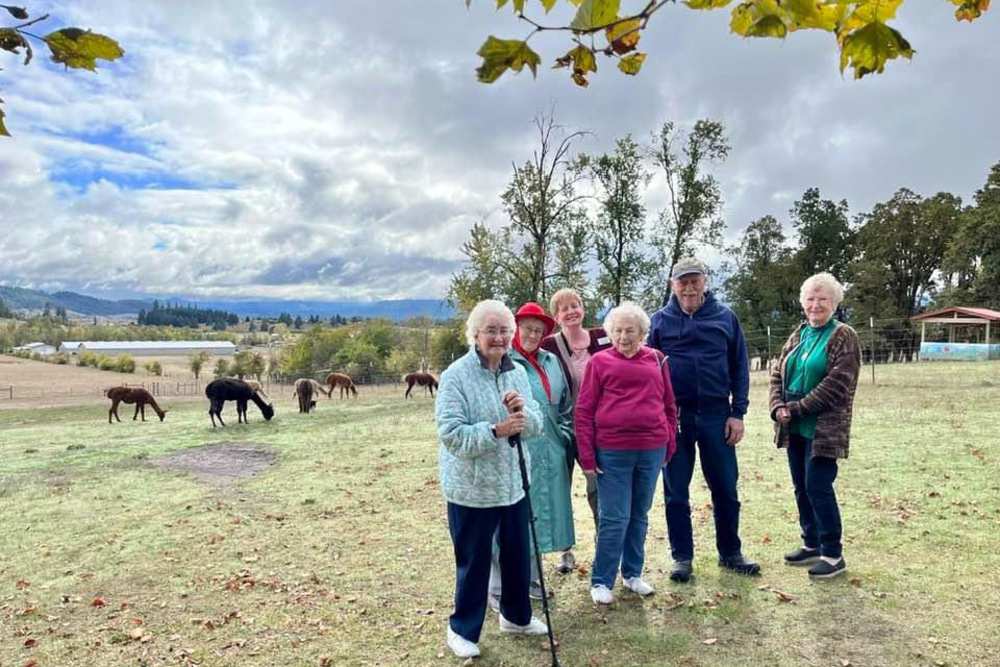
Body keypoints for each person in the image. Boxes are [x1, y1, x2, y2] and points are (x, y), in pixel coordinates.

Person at [435, 299, 549, 658]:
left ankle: (516, 617)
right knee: (475, 562)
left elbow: (538, 423)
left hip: (514, 483)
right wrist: (496, 430)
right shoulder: (456, 375)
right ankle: (462, 630)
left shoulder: (517, 372)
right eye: (491, 331)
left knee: (517, 555)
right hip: (471, 489)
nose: (498, 338)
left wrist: (521, 414)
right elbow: (452, 435)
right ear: (475, 334)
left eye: (504, 331)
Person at [648, 257, 758, 582]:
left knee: (725, 487)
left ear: (705, 282)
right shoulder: (659, 322)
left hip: (716, 415)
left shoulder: (725, 318)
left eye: (695, 280)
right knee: (676, 491)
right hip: (676, 418)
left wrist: (737, 413)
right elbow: (649, 371)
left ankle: (730, 552)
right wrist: (658, 417)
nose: (689, 286)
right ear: (673, 285)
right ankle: (682, 557)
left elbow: (740, 366)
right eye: (683, 281)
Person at [575, 301, 678, 605]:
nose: (623, 336)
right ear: (610, 332)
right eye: (617, 330)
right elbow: (584, 411)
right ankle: (601, 580)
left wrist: (669, 443)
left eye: (630, 330)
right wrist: (588, 457)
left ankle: (632, 574)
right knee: (614, 517)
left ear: (642, 332)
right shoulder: (599, 362)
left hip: (651, 450)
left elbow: (669, 406)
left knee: (639, 515)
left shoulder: (657, 359)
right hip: (612, 452)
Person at [769, 273, 861, 579]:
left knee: (818, 486)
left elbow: (837, 385)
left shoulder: (844, 336)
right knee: (801, 486)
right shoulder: (800, 333)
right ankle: (811, 543)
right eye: (810, 298)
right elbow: (776, 373)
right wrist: (777, 406)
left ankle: (833, 555)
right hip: (793, 426)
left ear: (834, 303)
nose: (815, 304)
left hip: (823, 427)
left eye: (822, 299)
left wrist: (795, 409)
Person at [488, 302, 575, 608]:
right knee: (509, 517)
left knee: (536, 516)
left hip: (549, 446)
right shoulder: (503, 361)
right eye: (527, 328)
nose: (533, 334)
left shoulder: (550, 360)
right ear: (516, 329)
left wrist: (564, 436)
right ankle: (499, 586)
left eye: (539, 330)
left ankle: (532, 578)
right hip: (513, 448)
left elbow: (564, 403)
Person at [541, 287, 612, 573]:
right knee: (560, 487)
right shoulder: (548, 345)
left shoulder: (602, 337)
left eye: (576, 305)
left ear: (583, 308)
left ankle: (604, 546)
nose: (571, 311)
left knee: (599, 488)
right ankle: (565, 551)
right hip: (564, 426)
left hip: (599, 427)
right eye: (564, 308)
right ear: (556, 316)